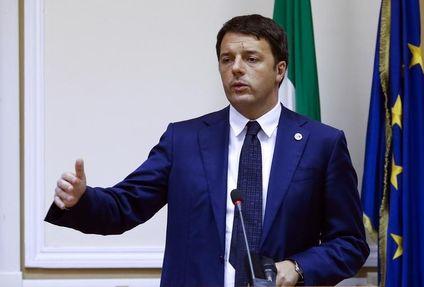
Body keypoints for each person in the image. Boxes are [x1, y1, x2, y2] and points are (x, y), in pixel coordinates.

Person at [45, 14, 369, 286]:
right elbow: (124, 205)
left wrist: (297, 268)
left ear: (280, 70)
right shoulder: (183, 140)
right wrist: (81, 200)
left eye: (251, 58)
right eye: (227, 60)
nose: (236, 69)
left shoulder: (322, 144)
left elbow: (350, 244)